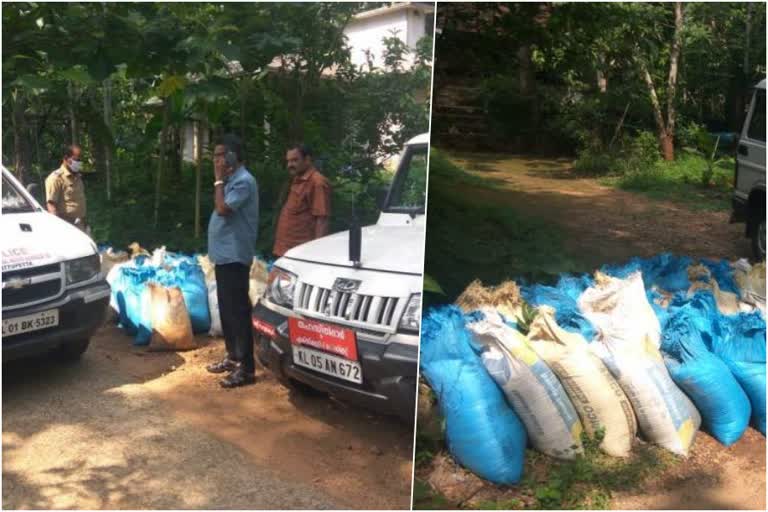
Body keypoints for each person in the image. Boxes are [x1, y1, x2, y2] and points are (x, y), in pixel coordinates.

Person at [205, 134, 260, 388]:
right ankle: (232, 356)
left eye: (220, 155)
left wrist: (217, 179)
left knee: (238, 311)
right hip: (224, 256)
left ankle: (247, 369)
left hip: (236, 256)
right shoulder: (230, 181)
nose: (216, 160)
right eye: (214, 155)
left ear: (232, 157)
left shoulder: (243, 182)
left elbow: (223, 209)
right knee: (227, 310)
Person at [272, 144, 331, 257]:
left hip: (300, 254)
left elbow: (322, 220)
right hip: (285, 250)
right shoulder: (297, 178)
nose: (289, 165)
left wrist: (317, 254)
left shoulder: (317, 182)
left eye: (294, 160)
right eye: (288, 161)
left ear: (307, 160)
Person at [45, 145, 88, 230]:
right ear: (65, 159)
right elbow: (51, 205)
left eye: (80, 160)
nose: (79, 162)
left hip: (80, 224)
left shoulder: (77, 177)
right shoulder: (56, 178)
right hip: (67, 226)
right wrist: (59, 227)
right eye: (76, 160)